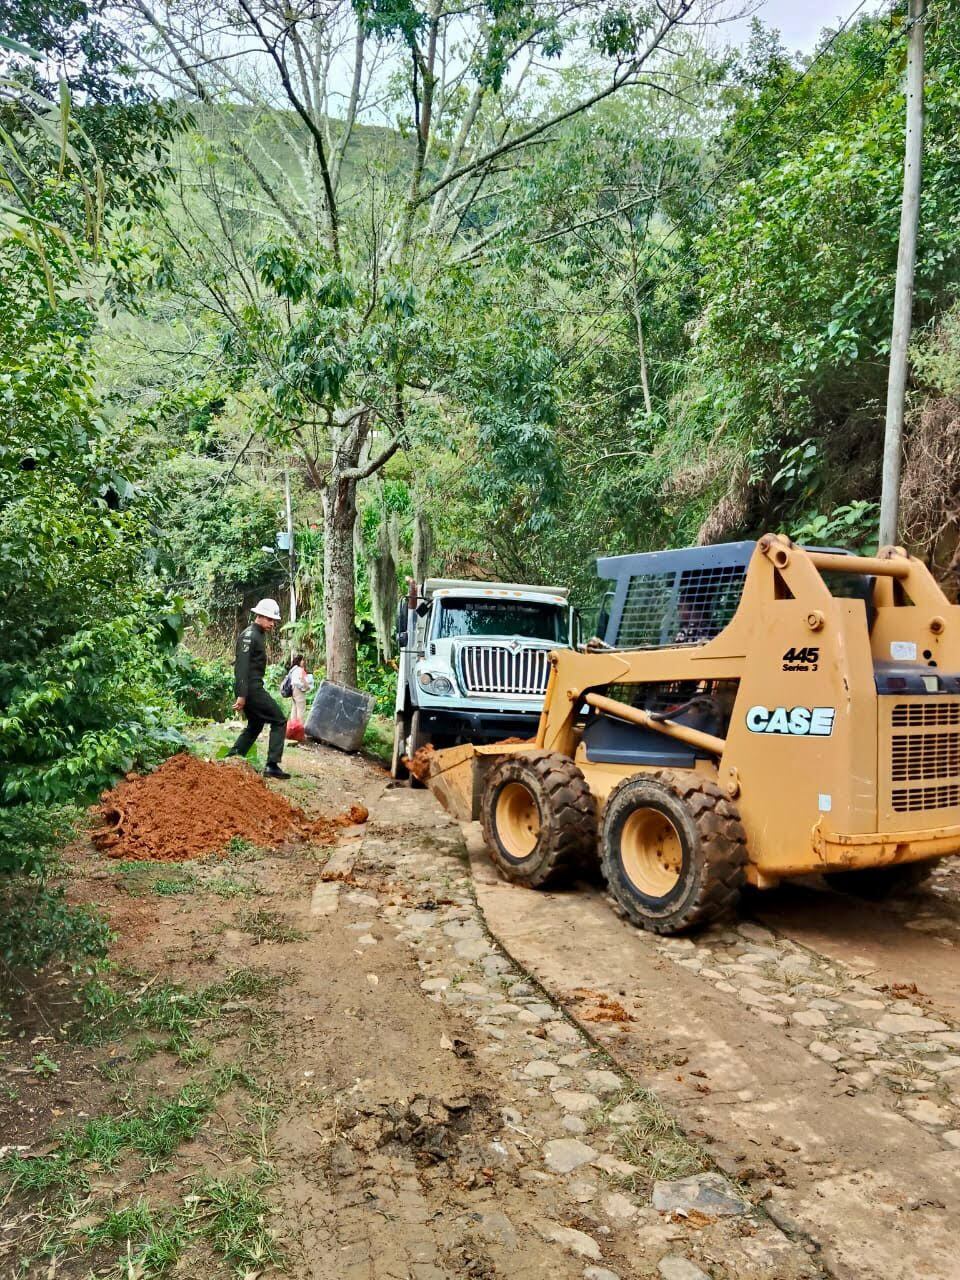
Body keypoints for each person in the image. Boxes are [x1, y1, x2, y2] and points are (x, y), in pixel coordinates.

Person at [227, 598, 290, 780]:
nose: (272, 624)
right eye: (269, 619)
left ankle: (233, 757)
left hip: (253, 687)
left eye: (274, 621)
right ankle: (272, 765)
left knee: (256, 724)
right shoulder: (249, 636)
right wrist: (242, 695)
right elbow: (242, 667)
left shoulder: (258, 634)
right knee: (279, 720)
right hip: (251, 689)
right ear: (259, 616)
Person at [286, 653, 312, 724]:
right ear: (299, 661)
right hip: (299, 691)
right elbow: (302, 679)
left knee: (294, 709)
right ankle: (300, 728)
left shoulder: (293, 670)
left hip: (293, 690)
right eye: (302, 660)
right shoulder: (300, 670)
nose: (303, 662)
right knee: (301, 710)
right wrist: (307, 687)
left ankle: (293, 728)